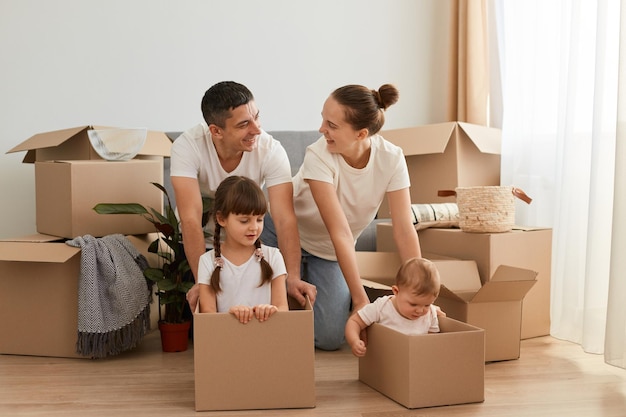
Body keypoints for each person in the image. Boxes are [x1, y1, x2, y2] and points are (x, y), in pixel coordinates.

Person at [262, 83, 423, 350]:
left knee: (330, 338)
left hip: (327, 252)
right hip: (280, 235)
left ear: (361, 134)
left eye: (332, 125)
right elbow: (340, 230)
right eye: (323, 119)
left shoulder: (392, 159)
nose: (321, 129)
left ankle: (301, 305)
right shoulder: (319, 155)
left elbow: (404, 228)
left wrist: (420, 289)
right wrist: (360, 300)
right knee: (278, 316)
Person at [170, 81, 315, 312]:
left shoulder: (270, 150)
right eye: (244, 124)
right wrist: (203, 281)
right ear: (216, 131)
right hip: (203, 245)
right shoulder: (187, 147)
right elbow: (190, 218)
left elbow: (284, 218)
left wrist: (292, 277)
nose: (256, 129)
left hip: (247, 240)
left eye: (257, 117)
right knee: (203, 323)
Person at [197, 176, 289, 323]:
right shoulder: (207, 261)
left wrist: (271, 310)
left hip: (266, 340)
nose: (254, 227)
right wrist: (230, 315)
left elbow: (282, 307)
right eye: (244, 221)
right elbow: (208, 314)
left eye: (259, 219)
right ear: (221, 219)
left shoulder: (273, 256)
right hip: (226, 341)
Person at [345, 257, 442, 357]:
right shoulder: (382, 307)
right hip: (385, 362)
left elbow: (432, 340)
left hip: (415, 363)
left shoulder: (431, 313)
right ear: (396, 291)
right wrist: (354, 341)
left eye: (427, 304)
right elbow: (355, 321)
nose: (420, 310)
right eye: (413, 304)